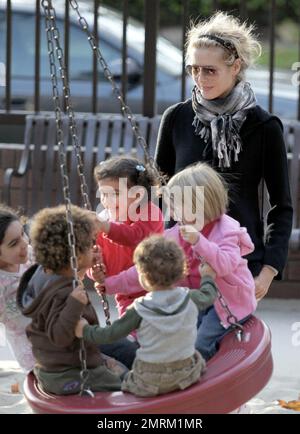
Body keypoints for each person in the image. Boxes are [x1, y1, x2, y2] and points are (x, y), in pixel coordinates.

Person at [155, 11, 293, 300]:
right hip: (181, 260)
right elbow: (157, 194)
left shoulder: (264, 127)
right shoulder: (176, 118)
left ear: (235, 67)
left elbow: (281, 205)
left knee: (230, 345)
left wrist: (268, 271)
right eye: (194, 69)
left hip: (239, 260)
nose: (200, 78)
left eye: (210, 70)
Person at [99, 163, 257, 361]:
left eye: (175, 206)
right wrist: (111, 284)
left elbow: (224, 265)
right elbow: (149, 267)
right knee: (173, 339)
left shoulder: (226, 231)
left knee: (200, 344)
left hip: (226, 303)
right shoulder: (177, 234)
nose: (171, 213)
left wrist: (199, 242)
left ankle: (197, 379)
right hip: (194, 301)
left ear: (198, 205)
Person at [75, 235, 217, 397]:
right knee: (196, 357)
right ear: (181, 271)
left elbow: (110, 334)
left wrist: (85, 330)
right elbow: (209, 295)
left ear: (142, 277)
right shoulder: (190, 298)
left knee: (122, 375)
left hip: (149, 382)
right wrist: (207, 276)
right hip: (187, 375)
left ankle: (119, 375)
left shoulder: (140, 309)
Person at [16, 205, 136, 395]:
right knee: (130, 383)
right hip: (72, 374)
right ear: (77, 256)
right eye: (90, 245)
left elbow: (58, 297)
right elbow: (59, 336)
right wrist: (73, 306)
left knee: (122, 354)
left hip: (55, 365)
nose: (94, 248)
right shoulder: (66, 295)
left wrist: (84, 266)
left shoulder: (43, 274)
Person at [89, 156, 164, 319]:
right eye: (103, 194)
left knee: (154, 331)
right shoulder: (105, 219)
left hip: (155, 288)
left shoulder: (149, 213)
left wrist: (106, 227)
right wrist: (95, 270)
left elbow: (134, 237)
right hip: (125, 296)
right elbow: (92, 254)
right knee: (130, 333)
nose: (107, 200)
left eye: (115, 194)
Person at [0, 204, 34, 372]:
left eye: (23, 234)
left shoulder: (31, 254)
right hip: (29, 345)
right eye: (14, 243)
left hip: (54, 327)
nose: (25, 243)